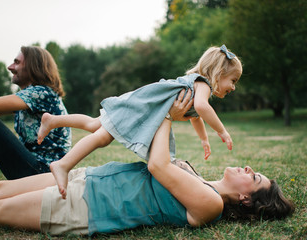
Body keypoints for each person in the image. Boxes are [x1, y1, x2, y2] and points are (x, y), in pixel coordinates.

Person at [0, 109, 295, 236]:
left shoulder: (211, 205)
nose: (249, 169)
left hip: (87, 206)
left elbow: (158, 166)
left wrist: (167, 115)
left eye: (254, 178)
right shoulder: (198, 179)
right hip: (90, 177)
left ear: (244, 199)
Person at [37, 44, 243, 198]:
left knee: (94, 124)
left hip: (141, 106)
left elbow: (195, 117)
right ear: (219, 72)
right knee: (101, 137)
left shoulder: (197, 86)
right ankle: (63, 165)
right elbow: (201, 108)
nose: (233, 87)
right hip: (142, 109)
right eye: (233, 80)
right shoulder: (203, 84)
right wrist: (221, 131)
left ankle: (53, 120)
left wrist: (204, 139)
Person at [0, 46, 71, 179]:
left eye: (16, 62)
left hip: (44, 172)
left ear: (33, 67)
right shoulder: (29, 98)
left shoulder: (42, 93)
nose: (10, 67)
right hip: (37, 170)